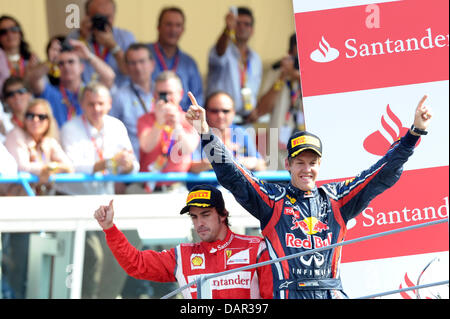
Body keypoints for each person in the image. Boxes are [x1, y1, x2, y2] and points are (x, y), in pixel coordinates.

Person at [185, 92, 433, 299]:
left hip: (332, 292)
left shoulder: (338, 197)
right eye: (300, 162)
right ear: (288, 164)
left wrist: (413, 135)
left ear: (320, 164)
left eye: (312, 162)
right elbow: (233, 173)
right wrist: (206, 134)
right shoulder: (273, 200)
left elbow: (381, 173)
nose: (307, 169)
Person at [93, 184, 273, 299]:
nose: (199, 223)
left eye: (206, 215)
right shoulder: (182, 255)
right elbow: (136, 264)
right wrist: (110, 228)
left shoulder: (256, 248)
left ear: (223, 214)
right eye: (194, 217)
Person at [58, 82, 139, 299]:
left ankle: (107, 296)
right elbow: (73, 168)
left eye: (101, 103)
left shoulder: (116, 126)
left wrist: (128, 165)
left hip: (105, 201)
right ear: (82, 104)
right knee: (93, 257)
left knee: (125, 249)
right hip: (75, 200)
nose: (96, 109)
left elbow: (134, 166)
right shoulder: (70, 128)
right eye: (91, 104)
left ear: (109, 104)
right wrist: (106, 163)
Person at [2, 98, 73, 299]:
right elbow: (21, 167)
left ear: (49, 120)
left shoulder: (49, 142)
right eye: (30, 115)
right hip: (19, 213)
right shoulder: (16, 135)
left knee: (47, 265)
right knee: (19, 263)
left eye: (41, 116)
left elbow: (69, 166)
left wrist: (50, 169)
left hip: (42, 211)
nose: (35, 120)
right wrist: (49, 168)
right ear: (23, 118)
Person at [27, 39, 115, 128]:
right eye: (61, 63)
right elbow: (32, 79)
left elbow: (109, 77)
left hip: (89, 139)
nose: (66, 66)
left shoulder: (90, 92)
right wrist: (50, 61)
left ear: (81, 67)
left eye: (71, 62)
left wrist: (89, 56)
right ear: (56, 68)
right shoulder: (50, 93)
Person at [247, 34, 304, 169]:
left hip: (308, 152)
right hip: (279, 154)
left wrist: (297, 76)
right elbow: (261, 110)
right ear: (290, 53)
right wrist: (282, 77)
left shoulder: (317, 71)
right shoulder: (276, 72)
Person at [137, 71, 198, 193]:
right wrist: (159, 122)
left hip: (176, 188)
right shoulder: (145, 119)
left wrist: (177, 125)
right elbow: (147, 147)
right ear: (155, 95)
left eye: (170, 93)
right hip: (147, 189)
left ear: (180, 94)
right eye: (162, 94)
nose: (167, 98)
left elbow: (187, 149)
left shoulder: (190, 118)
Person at [189, 91, 266, 177]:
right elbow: (189, 167)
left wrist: (254, 163)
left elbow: (262, 165)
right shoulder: (197, 132)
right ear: (206, 112)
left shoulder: (240, 132)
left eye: (225, 111)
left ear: (233, 112)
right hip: (205, 188)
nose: (220, 115)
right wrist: (222, 161)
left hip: (235, 189)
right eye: (214, 111)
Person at [206, 7, 262, 123]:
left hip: (246, 122)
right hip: (220, 120)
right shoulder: (224, 49)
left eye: (246, 24)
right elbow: (219, 52)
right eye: (237, 23)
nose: (241, 27)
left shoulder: (256, 59)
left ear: (252, 30)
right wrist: (227, 29)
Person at [67, 0, 135, 86]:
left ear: (114, 15)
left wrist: (113, 46)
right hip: (87, 93)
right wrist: (83, 38)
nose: (103, 20)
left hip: (118, 93)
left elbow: (130, 71)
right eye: (99, 16)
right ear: (87, 16)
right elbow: (68, 70)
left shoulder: (125, 37)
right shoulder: (75, 37)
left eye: (107, 16)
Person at [148, 7, 203, 111]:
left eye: (178, 25)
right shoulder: (144, 55)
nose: (173, 30)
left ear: (182, 30)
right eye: (168, 24)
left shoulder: (189, 63)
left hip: (182, 121)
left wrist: (185, 120)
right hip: (150, 118)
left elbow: (197, 98)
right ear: (158, 27)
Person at [110, 43, 155, 160]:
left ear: (152, 64)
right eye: (133, 63)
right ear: (126, 67)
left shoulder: (164, 92)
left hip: (162, 164)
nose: (138, 67)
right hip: (133, 166)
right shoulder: (119, 97)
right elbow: (110, 132)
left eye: (142, 61)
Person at [0, 15, 38, 79]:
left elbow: (44, 86)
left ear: (20, 33)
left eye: (14, 29)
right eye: (3, 32)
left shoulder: (32, 59)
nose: (10, 34)